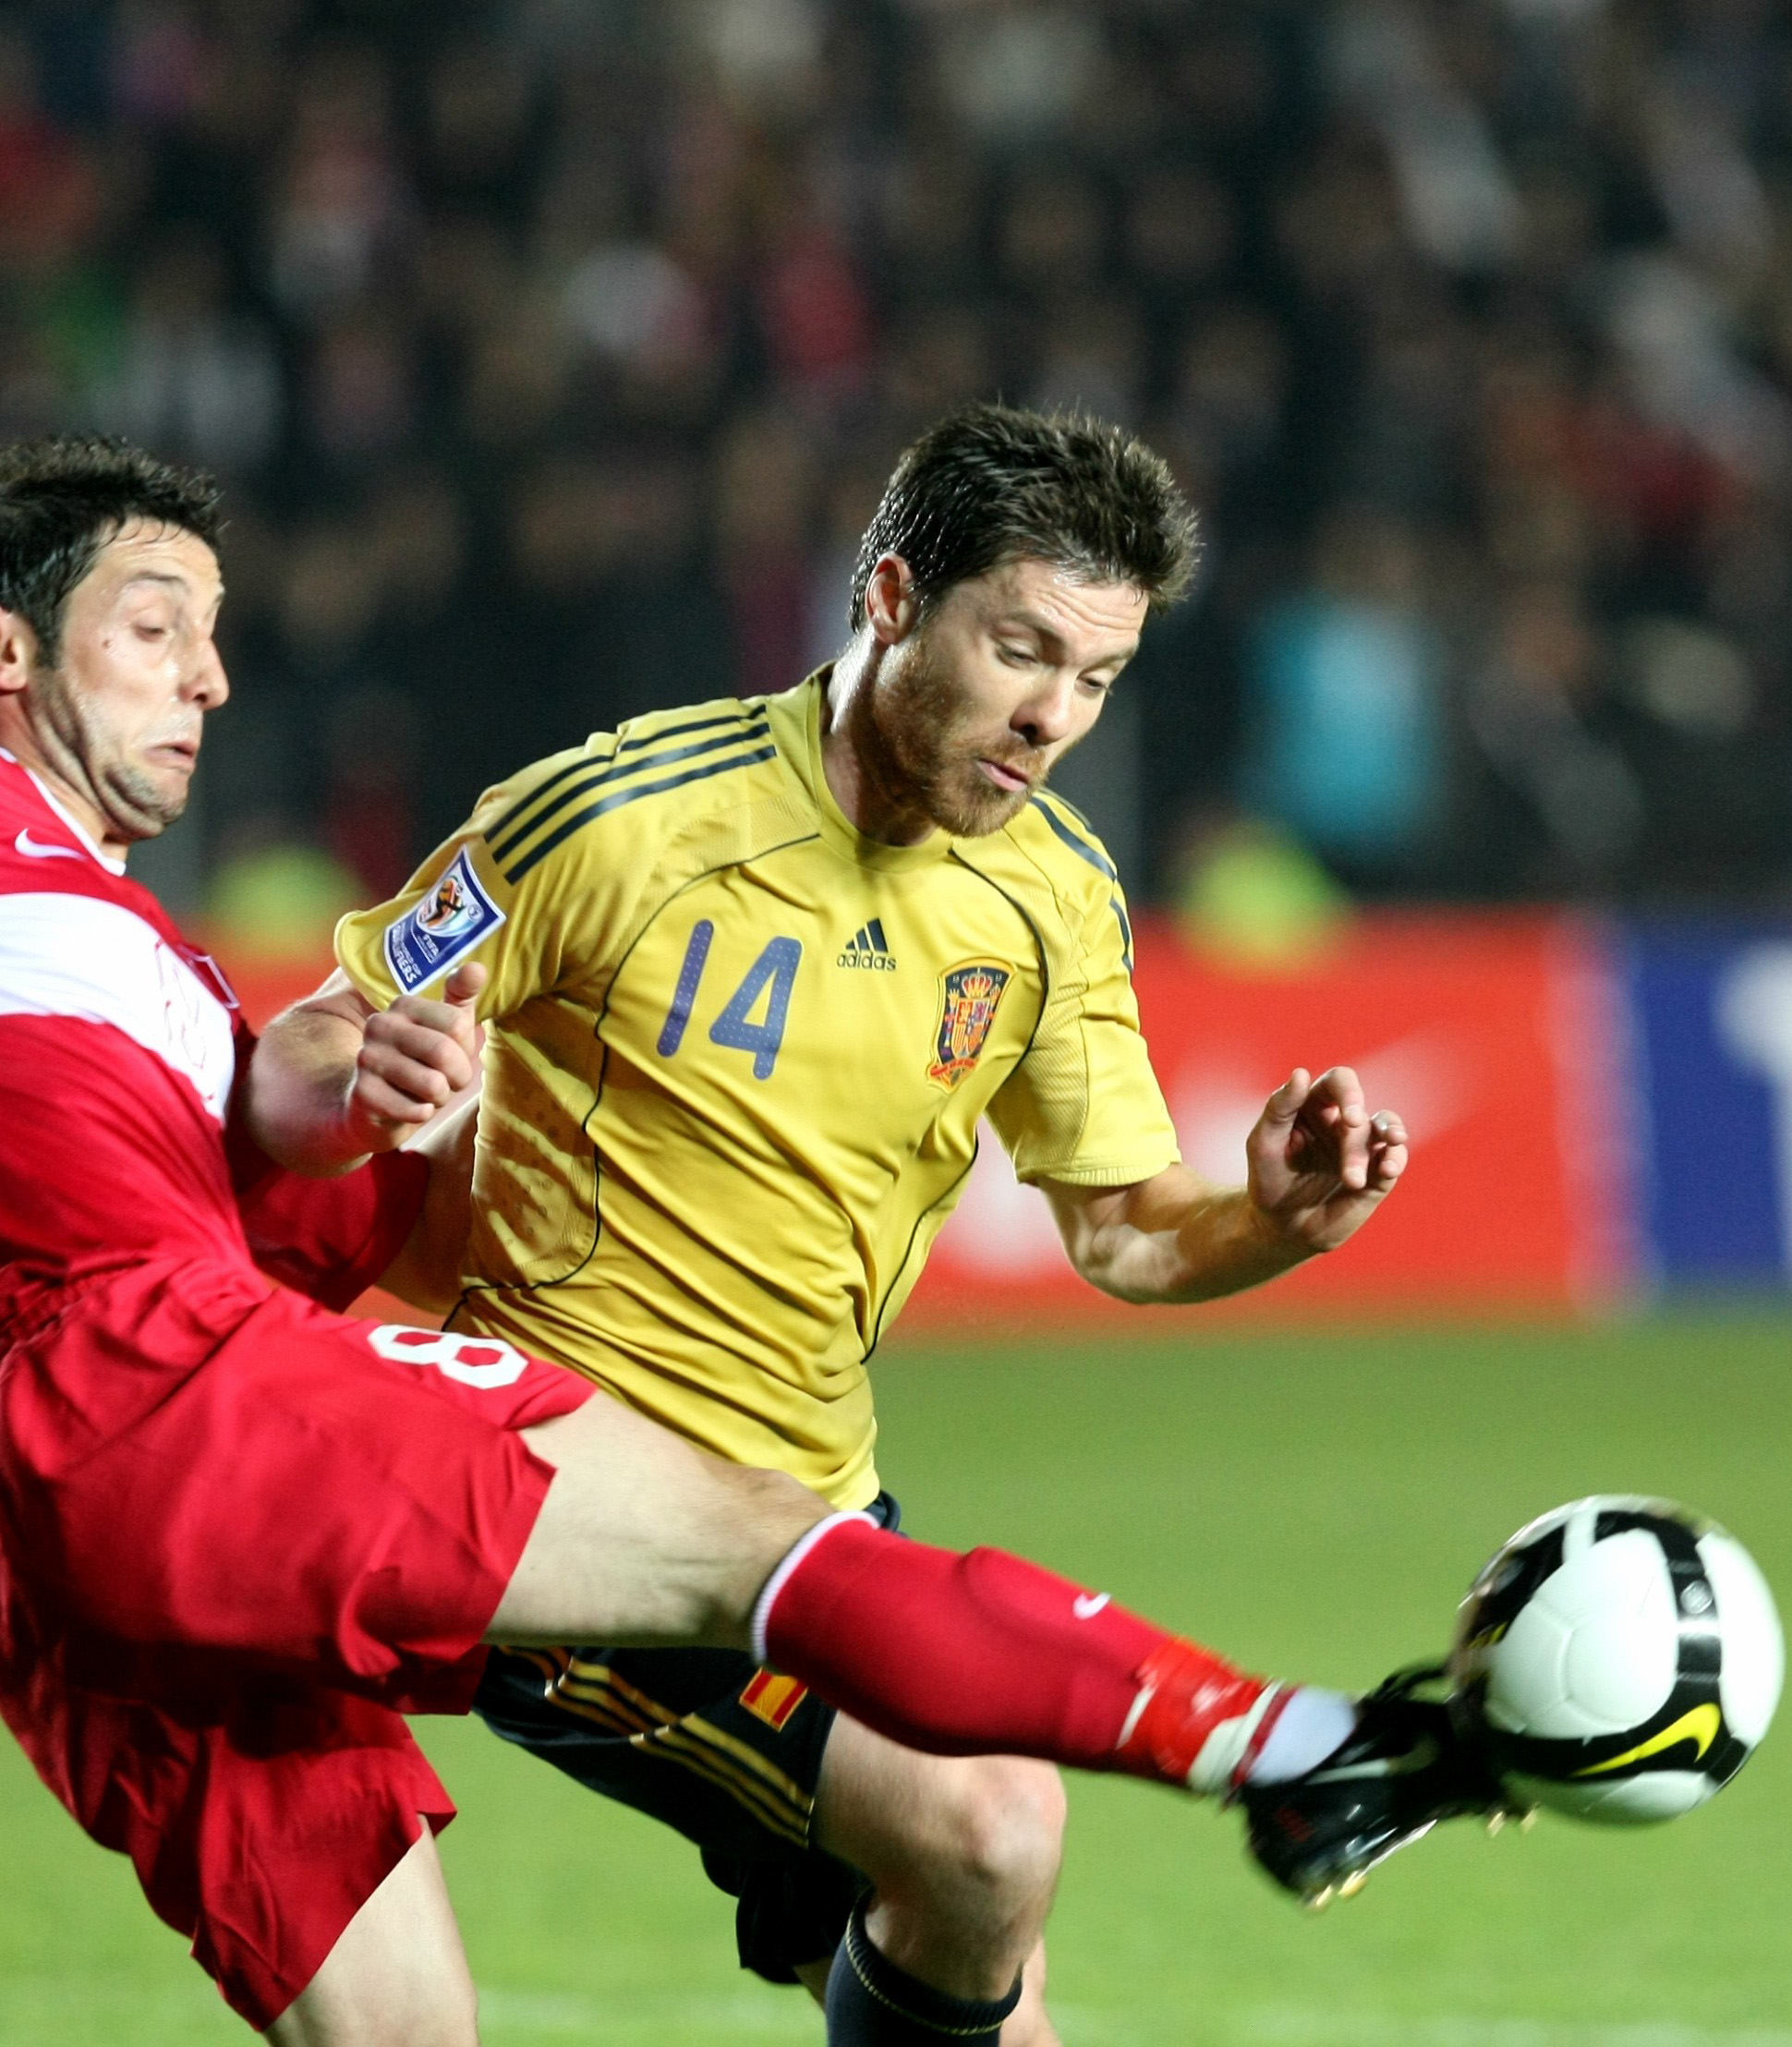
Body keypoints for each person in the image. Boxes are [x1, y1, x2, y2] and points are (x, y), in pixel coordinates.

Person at [0, 436, 1501, 2046]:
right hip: (162, 1394)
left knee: (430, 2029)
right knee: (929, 1743)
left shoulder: (148, 963)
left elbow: (279, 1129)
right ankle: (1298, 1743)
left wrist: (351, 1093)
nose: (210, 674)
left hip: (90, 1508)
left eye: (217, 632)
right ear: (1, 641)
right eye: (159, 625)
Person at [261, 404, 1420, 2046]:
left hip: (815, 1517)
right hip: (564, 1510)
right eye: (1020, 647)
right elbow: (317, 1026)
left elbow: (1123, 1234)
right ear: (886, 597)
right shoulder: (613, 820)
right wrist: (362, 1061)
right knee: (989, 1826)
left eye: (1093, 677)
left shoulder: (1050, 894)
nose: (1050, 716)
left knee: (971, 1942)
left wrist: (1274, 1218)